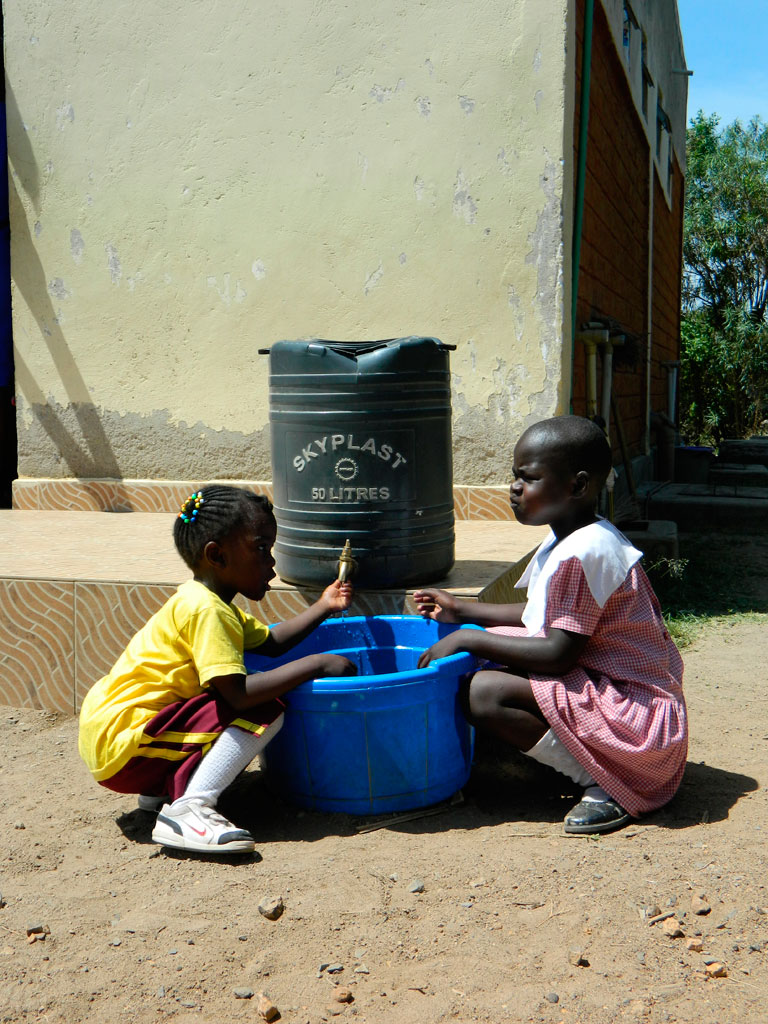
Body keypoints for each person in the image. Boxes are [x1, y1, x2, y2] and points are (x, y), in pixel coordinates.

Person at [414, 415, 687, 835]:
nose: (515, 488)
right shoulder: (571, 536)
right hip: (611, 688)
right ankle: (566, 758)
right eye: (515, 476)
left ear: (577, 486)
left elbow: (557, 654)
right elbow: (540, 617)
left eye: (530, 478)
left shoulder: (583, 553)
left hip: (638, 720)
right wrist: (462, 610)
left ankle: (604, 784)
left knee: (486, 693)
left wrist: (471, 637)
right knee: (491, 653)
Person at [78, 485, 355, 855]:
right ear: (217, 555)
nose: (271, 562)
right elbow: (238, 696)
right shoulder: (206, 610)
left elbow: (272, 644)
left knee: (236, 696)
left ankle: (161, 789)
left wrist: (324, 605)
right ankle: (189, 810)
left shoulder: (208, 602)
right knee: (262, 707)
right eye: (260, 548)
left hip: (114, 737)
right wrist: (316, 663)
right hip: (126, 744)